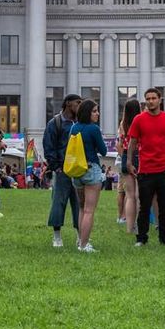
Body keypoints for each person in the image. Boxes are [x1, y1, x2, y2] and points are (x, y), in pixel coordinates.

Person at [127, 87, 165, 247]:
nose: (151, 101)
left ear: (160, 100)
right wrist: (129, 162)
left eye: (153, 98)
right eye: (148, 98)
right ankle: (141, 238)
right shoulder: (139, 119)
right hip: (145, 169)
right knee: (144, 206)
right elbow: (132, 142)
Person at [43, 94, 83, 247]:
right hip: (62, 170)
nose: (80, 105)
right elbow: (49, 146)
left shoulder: (80, 123)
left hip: (79, 169)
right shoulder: (56, 123)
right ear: (68, 103)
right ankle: (57, 236)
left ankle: (80, 235)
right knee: (58, 202)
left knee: (79, 203)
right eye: (77, 102)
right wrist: (56, 167)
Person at [69, 99, 108, 253]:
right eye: (94, 111)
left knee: (81, 207)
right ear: (87, 112)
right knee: (89, 210)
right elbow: (103, 150)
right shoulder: (93, 129)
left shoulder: (74, 128)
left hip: (77, 170)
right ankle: (84, 245)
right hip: (91, 169)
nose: (97, 113)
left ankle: (80, 239)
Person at [117, 98, 141, 234]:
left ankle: (129, 227)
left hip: (126, 156)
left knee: (129, 195)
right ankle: (137, 224)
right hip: (138, 155)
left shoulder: (123, 124)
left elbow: (120, 142)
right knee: (138, 195)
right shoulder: (140, 121)